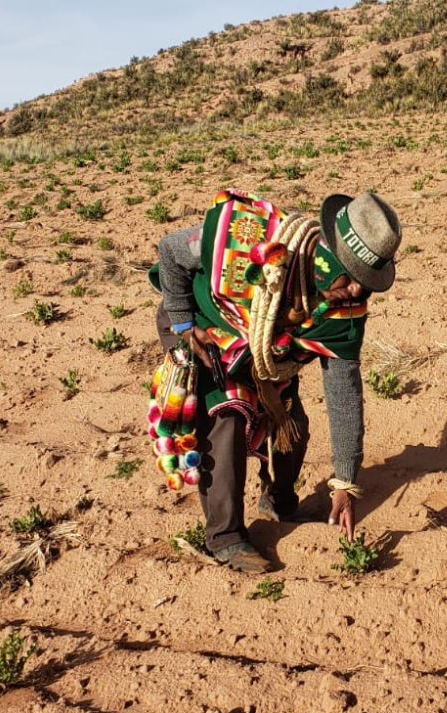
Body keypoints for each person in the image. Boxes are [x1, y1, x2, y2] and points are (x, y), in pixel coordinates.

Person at [150, 189, 401, 572]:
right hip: (205, 328)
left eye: (366, 281)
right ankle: (224, 536)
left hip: (270, 353)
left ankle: (279, 501)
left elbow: (344, 395)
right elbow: (170, 250)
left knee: (291, 423)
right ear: (325, 259)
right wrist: (183, 323)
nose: (355, 291)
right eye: (349, 277)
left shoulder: (343, 310)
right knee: (228, 417)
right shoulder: (250, 242)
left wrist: (345, 482)